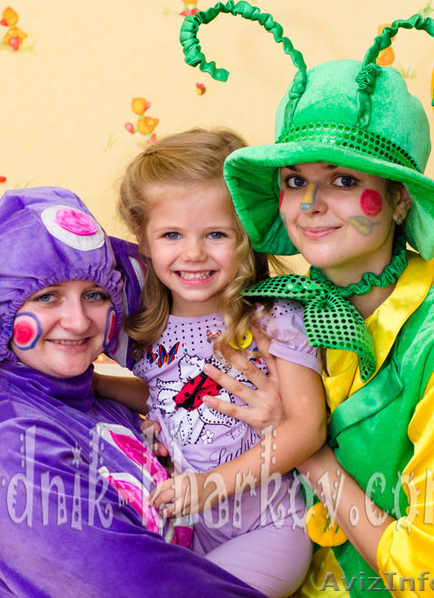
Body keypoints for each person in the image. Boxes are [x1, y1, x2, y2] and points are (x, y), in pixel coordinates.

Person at [180, 4, 434, 597]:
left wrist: (305, 448)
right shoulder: (284, 311)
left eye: (344, 180)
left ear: (398, 200)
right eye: (295, 180)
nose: (311, 203)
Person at [0, 186, 268, 597]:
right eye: (47, 297)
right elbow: (139, 584)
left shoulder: (90, 399)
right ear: (0, 310)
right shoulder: (8, 439)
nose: (78, 322)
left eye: (94, 295)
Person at [110, 128, 326, 597]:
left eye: (215, 234)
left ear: (245, 235)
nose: (193, 253)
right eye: (172, 234)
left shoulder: (276, 318)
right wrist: (94, 385)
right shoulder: (147, 326)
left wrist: (211, 485)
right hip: (187, 530)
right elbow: (168, 395)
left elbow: (307, 428)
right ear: (143, 239)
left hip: (269, 528)